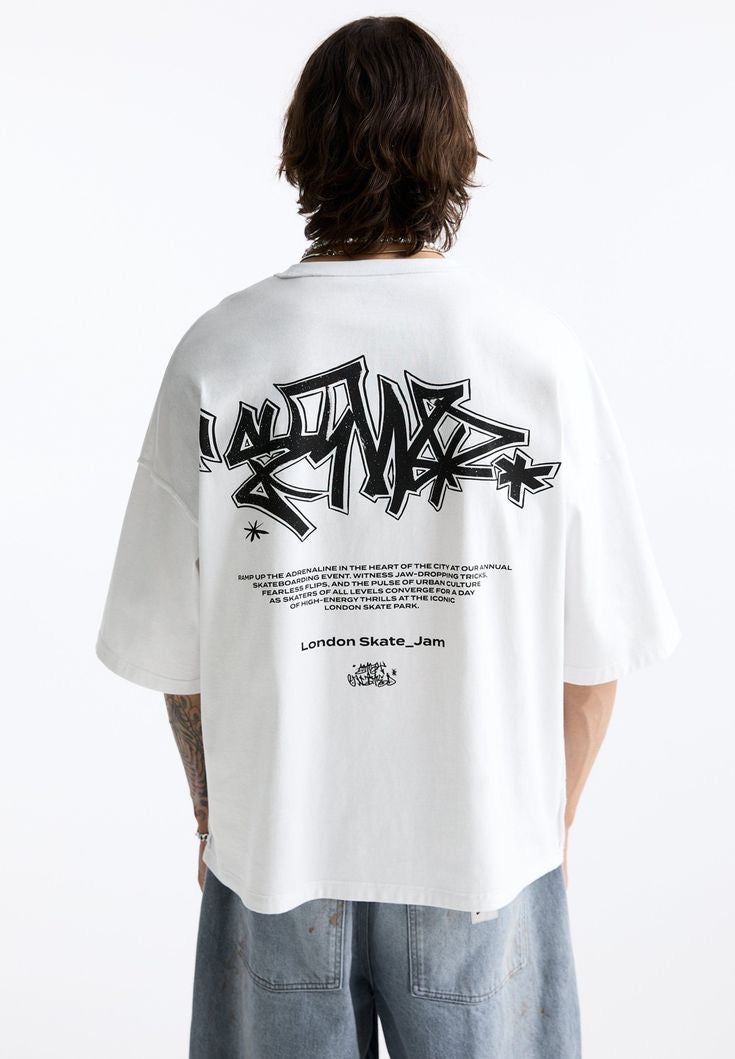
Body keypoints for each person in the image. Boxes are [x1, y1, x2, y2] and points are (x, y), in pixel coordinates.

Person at [95, 16, 681, 1058]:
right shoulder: (537, 358)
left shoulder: (217, 355)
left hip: (276, 860)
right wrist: (540, 823)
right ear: (454, 156)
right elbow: (595, 667)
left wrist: (213, 818)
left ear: (301, 152)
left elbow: (177, 663)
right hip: (480, 862)